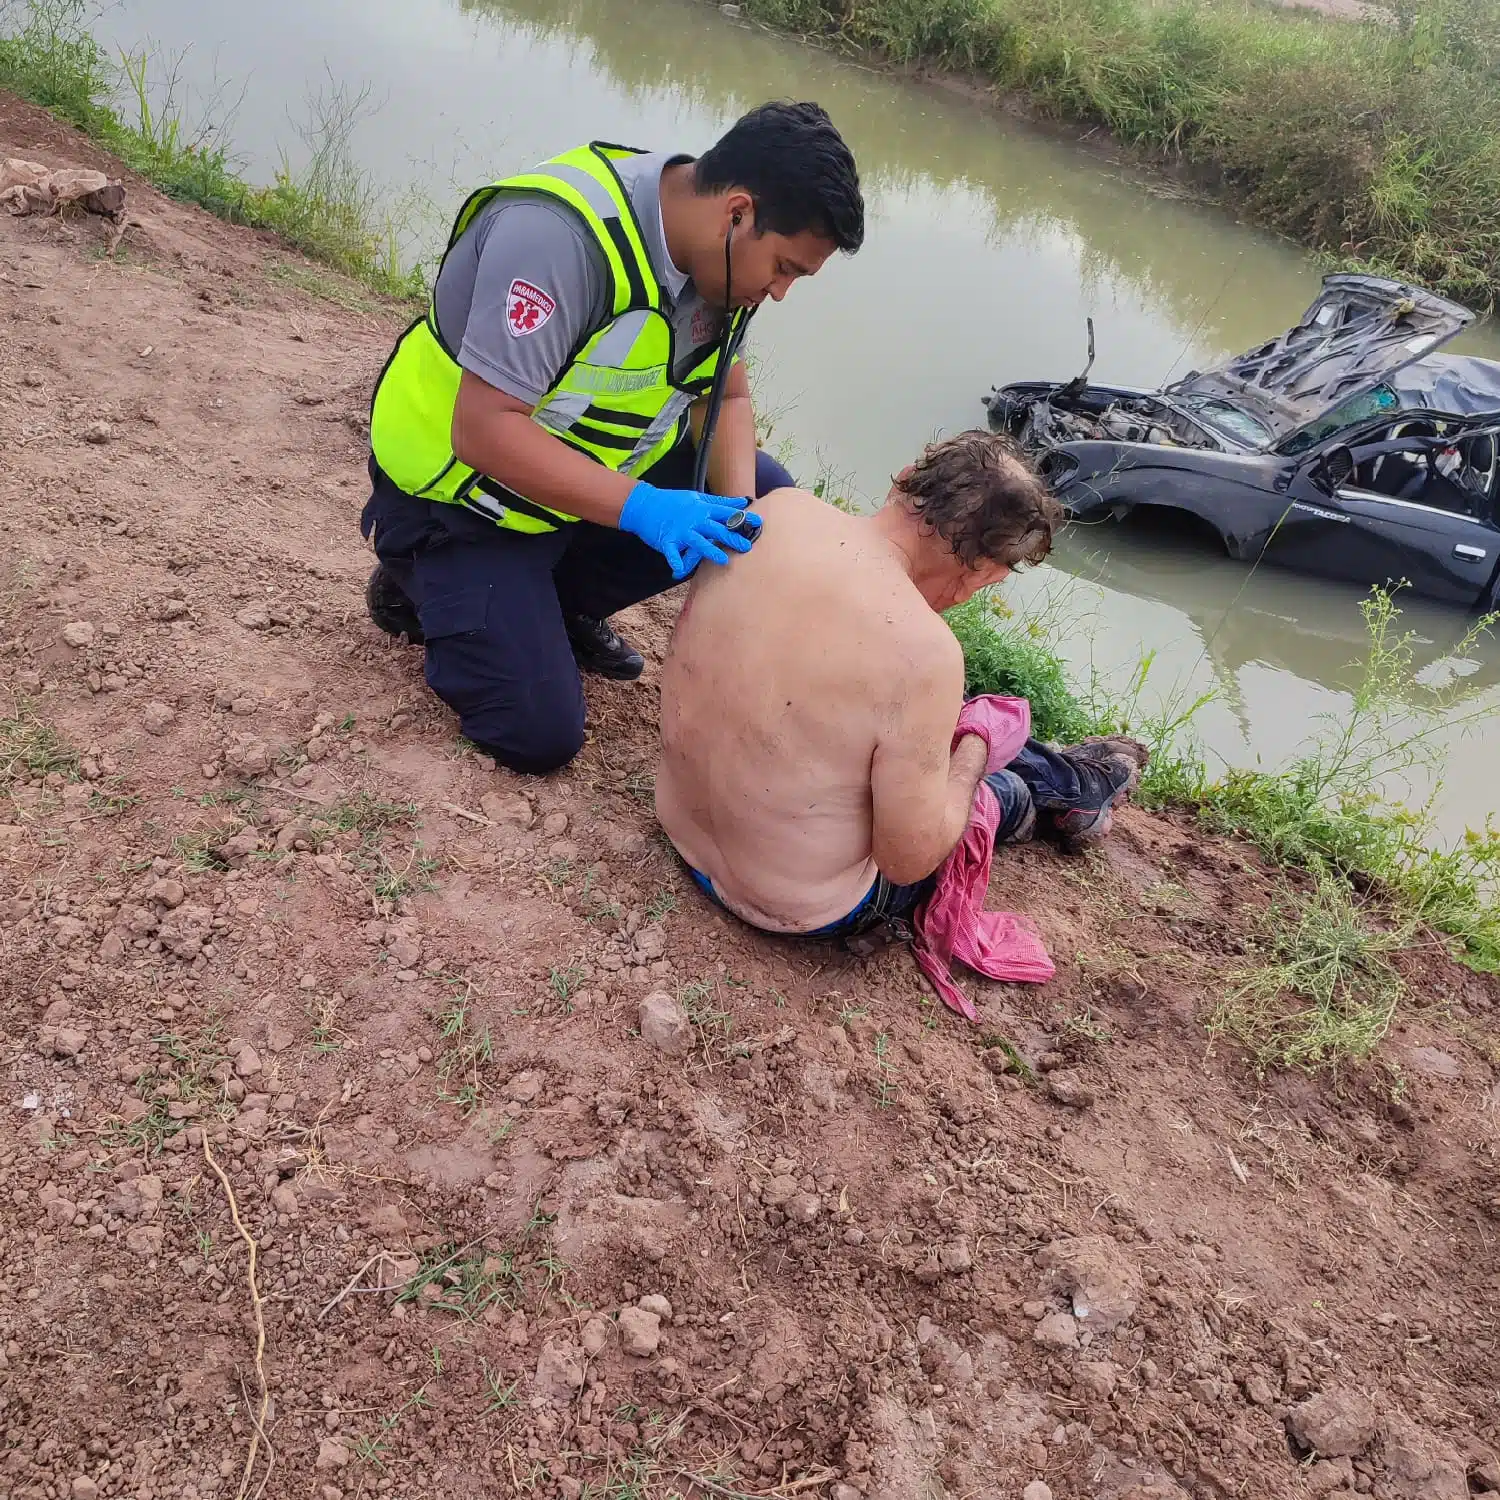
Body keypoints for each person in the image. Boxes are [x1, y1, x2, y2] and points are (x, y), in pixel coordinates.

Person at [358, 101, 864, 775]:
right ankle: (415, 587)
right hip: (463, 502)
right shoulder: (560, 239)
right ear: (737, 213)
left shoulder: (719, 266)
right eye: (785, 268)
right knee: (537, 732)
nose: (779, 294)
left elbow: (726, 395)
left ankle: (549, 605)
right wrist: (646, 509)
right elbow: (484, 430)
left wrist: (734, 512)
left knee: (761, 493)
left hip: (575, 496)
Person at [655, 431, 1145, 938]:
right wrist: (974, 750)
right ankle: (1065, 792)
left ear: (904, 481)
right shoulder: (923, 653)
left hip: (681, 832)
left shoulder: (777, 510)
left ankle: (1077, 779)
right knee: (998, 782)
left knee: (913, 739)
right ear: (984, 578)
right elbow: (906, 861)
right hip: (791, 904)